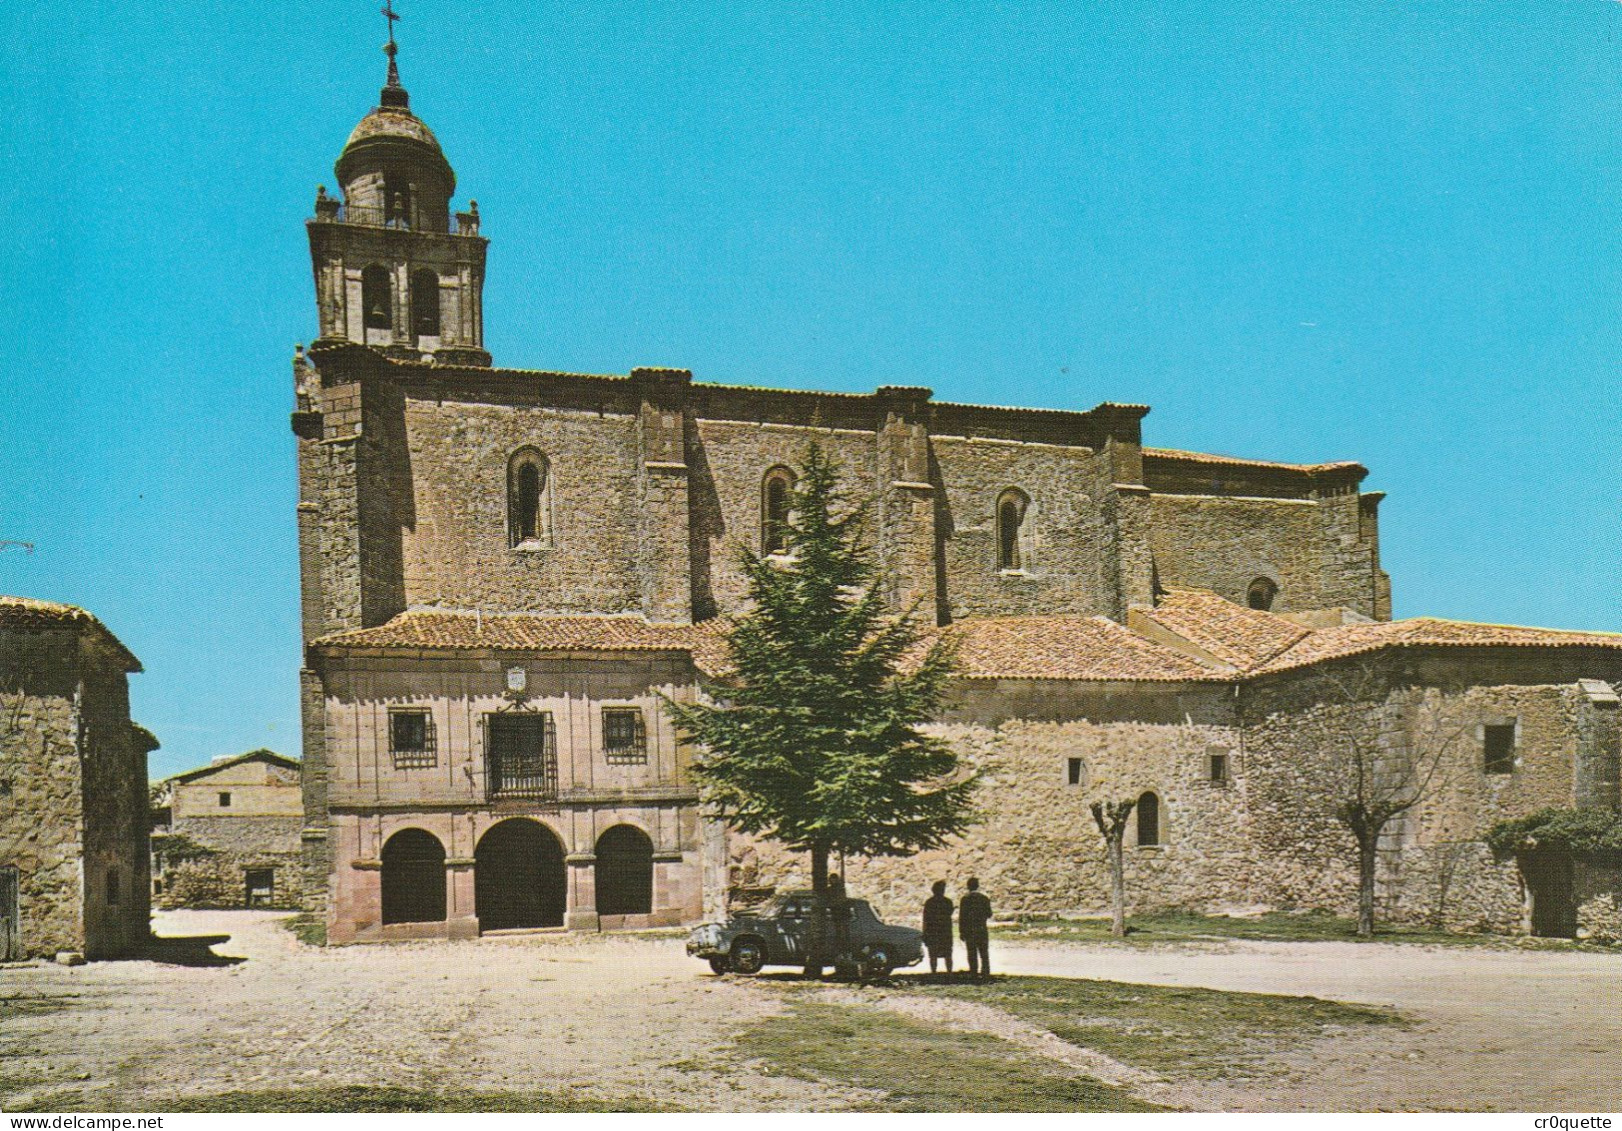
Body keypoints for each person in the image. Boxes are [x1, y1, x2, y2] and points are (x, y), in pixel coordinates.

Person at [958, 876, 992, 979]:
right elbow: (989, 914)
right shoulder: (984, 898)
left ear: (968, 886)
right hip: (981, 928)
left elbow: (962, 917)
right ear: (978, 886)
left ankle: (974, 972)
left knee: (972, 952)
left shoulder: (965, 899)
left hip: (969, 930)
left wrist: (961, 931)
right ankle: (985, 972)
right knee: (984, 952)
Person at [922, 881, 955, 978]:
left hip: (933, 931)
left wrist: (925, 932)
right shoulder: (948, 902)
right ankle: (949, 972)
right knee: (948, 954)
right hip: (945, 931)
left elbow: (925, 919)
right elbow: (950, 913)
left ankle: (934, 973)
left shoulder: (929, 902)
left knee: (933, 954)